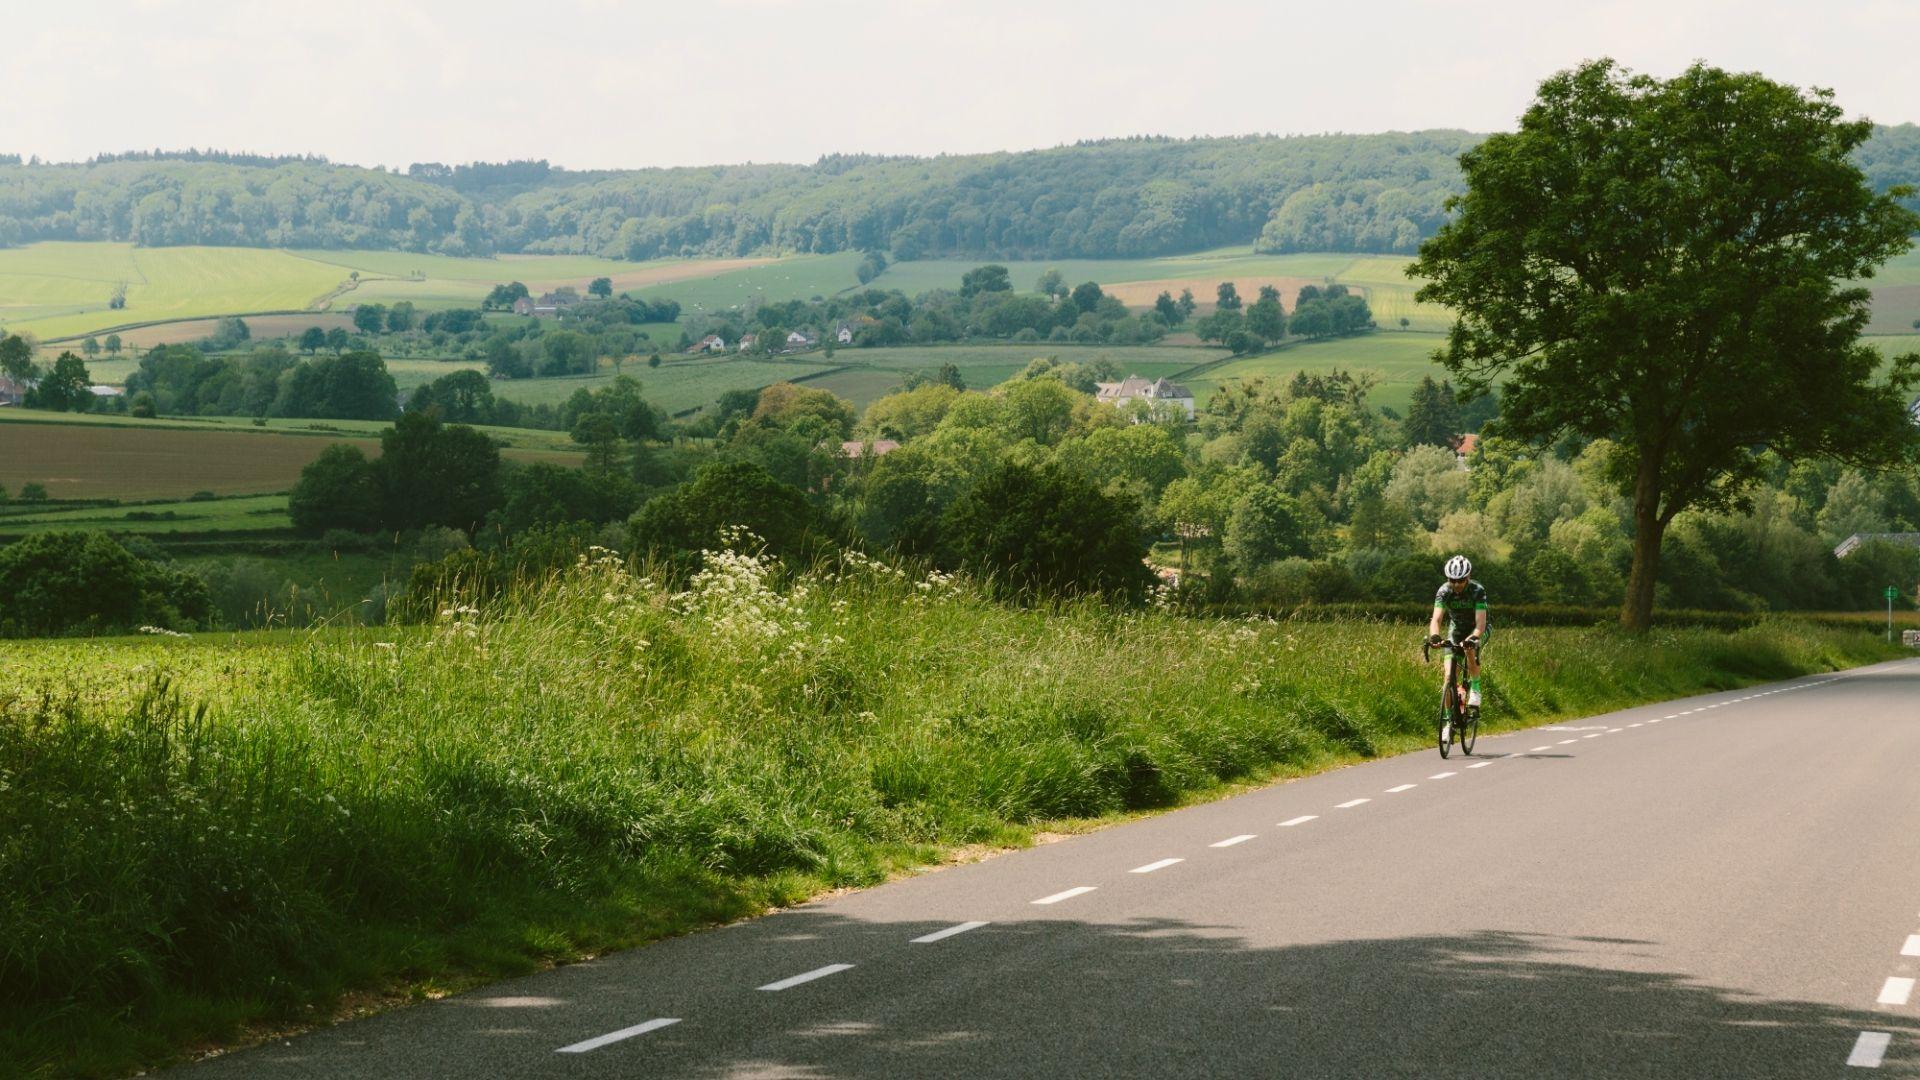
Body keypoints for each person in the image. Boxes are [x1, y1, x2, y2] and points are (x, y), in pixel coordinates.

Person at [1427, 554, 1488, 711]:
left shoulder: (1477, 590)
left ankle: (1475, 688)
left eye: (1460, 580)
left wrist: (1473, 638)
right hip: (1457, 631)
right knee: (1449, 678)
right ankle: (1448, 722)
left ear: (1468, 576)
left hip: (1477, 629)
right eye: (1452, 580)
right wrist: (1435, 636)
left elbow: (1481, 624)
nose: (1456, 584)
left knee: (1469, 648)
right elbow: (1436, 619)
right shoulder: (1444, 591)